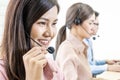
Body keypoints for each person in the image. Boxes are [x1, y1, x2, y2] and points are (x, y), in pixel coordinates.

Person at [0, 0, 64, 80]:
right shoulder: (2, 72)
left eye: (54, 24)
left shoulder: (54, 70)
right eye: (42, 23)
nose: (50, 33)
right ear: (22, 26)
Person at [55, 2, 96, 80]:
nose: (93, 28)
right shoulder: (67, 50)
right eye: (90, 23)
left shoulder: (81, 48)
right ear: (76, 23)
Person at [84, 11, 120, 77]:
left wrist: (106, 61)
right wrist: (108, 67)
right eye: (96, 24)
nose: (97, 27)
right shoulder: (82, 42)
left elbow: (91, 63)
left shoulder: (88, 40)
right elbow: (85, 69)